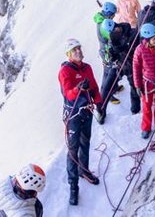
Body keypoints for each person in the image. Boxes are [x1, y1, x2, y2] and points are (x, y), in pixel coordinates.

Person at [58, 38, 101, 205]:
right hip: (73, 114)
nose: (78, 51)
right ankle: (73, 186)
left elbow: (95, 87)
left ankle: (84, 170)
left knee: (85, 143)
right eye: (75, 50)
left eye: (79, 48)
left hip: (86, 112)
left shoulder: (87, 68)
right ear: (69, 54)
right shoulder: (65, 71)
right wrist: (78, 88)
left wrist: (99, 102)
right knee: (72, 150)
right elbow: (68, 93)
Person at [93, 2, 123, 106]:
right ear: (109, 13)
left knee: (112, 71)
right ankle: (106, 94)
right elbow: (112, 37)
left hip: (104, 51)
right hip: (107, 53)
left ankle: (113, 88)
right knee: (108, 73)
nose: (114, 16)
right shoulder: (103, 26)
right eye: (113, 14)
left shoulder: (102, 20)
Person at [109, 22, 141, 114]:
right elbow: (114, 55)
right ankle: (135, 109)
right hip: (126, 65)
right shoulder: (113, 37)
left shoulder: (133, 33)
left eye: (115, 29)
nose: (115, 32)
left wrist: (125, 48)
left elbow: (139, 49)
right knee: (133, 85)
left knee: (138, 84)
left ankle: (138, 107)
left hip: (137, 64)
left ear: (117, 26)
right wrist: (113, 54)